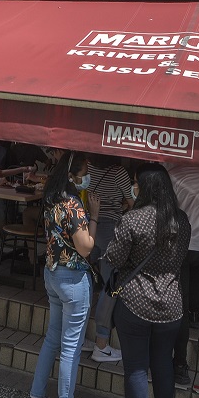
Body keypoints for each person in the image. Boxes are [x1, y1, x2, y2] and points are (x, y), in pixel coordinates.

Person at [105, 164, 191, 398]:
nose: (135, 188)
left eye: (136, 184)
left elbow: (115, 259)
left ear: (144, 187)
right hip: (172, 306)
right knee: (163, 363)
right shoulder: (181, 220)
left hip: (134, 304)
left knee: (137, 369)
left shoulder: (132, 219)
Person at [25, 151, 98, 398]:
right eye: (85, 171)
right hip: (73, 279)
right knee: (70, 347)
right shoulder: (73, 205)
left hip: (52, 273)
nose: (87, 177)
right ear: (73, 175)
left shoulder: (52, 199)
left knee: (52, 337)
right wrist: (95, 217)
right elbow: (86, 247)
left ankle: (37, 396)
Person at [165, 163, 199, 387]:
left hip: (182, 245)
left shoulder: (174, 175)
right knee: (195, 280)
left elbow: (167, 210)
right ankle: (195, 313)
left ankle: (179, 364)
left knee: (180, 304)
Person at [84, 154, 134, 364]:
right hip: (110, 231)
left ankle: (78, 337)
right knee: (109, 286)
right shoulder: (118, 172)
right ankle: (101, 343)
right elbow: (134, 202)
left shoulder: (87, 166)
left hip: (88, 226)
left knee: (84, 280)